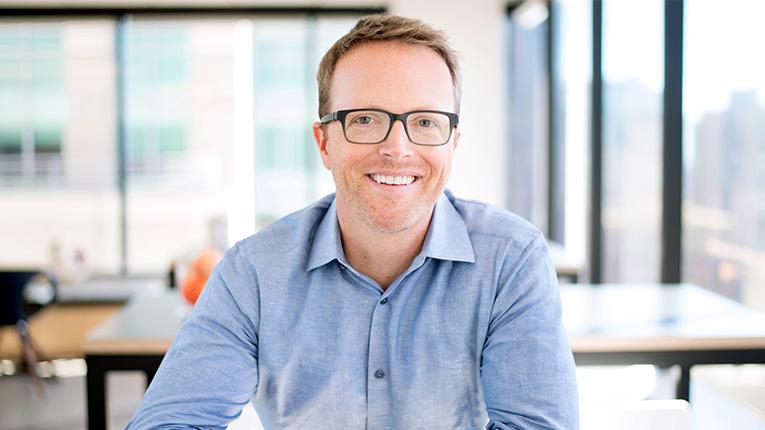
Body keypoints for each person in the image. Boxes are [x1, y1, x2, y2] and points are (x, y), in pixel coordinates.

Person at [127, 14, 578, 430]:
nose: (398, 148)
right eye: (364, 119)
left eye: (425, 121)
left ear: (452, 143)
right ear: (324, 143)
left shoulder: (511, 260)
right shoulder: (255, 272)